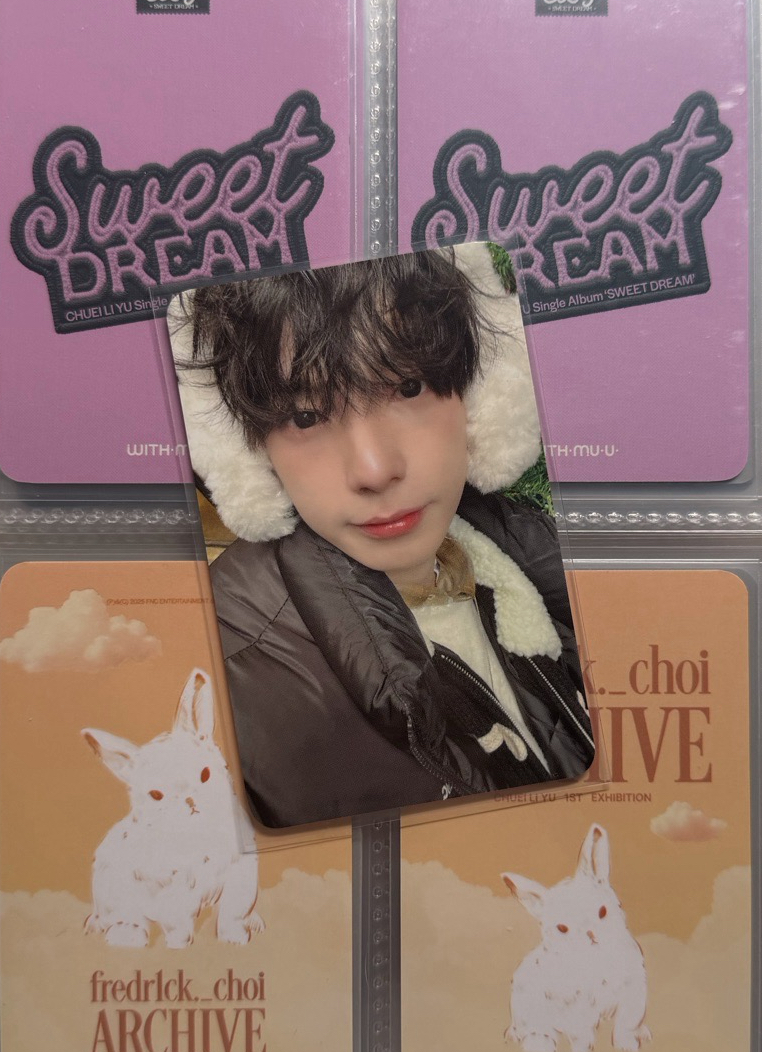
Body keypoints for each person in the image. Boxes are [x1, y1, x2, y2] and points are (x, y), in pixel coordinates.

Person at [170, 244, 595, 828]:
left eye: (409, 386)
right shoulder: (216, 687)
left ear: (483, 394)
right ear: (245, 452)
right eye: (305, 416)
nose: (373, 469)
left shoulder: (540, 557)